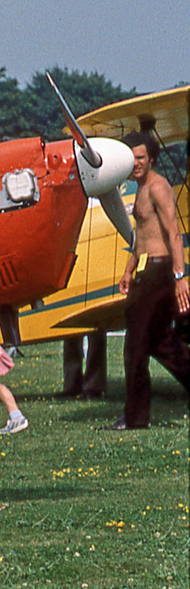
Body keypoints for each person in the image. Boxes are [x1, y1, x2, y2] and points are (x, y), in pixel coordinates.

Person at [103, 130, 190, 430]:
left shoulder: (158, 187)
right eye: (132, 158)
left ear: (151, 158)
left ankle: (136, 418)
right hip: (146, 268)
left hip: (160, 271)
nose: (136, 163)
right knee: (160, 341)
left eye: (141, 157)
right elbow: (142, 238)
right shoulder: (139, 189)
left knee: (135, 346)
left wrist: (180, 277)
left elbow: (173, 234)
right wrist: (128, 270)